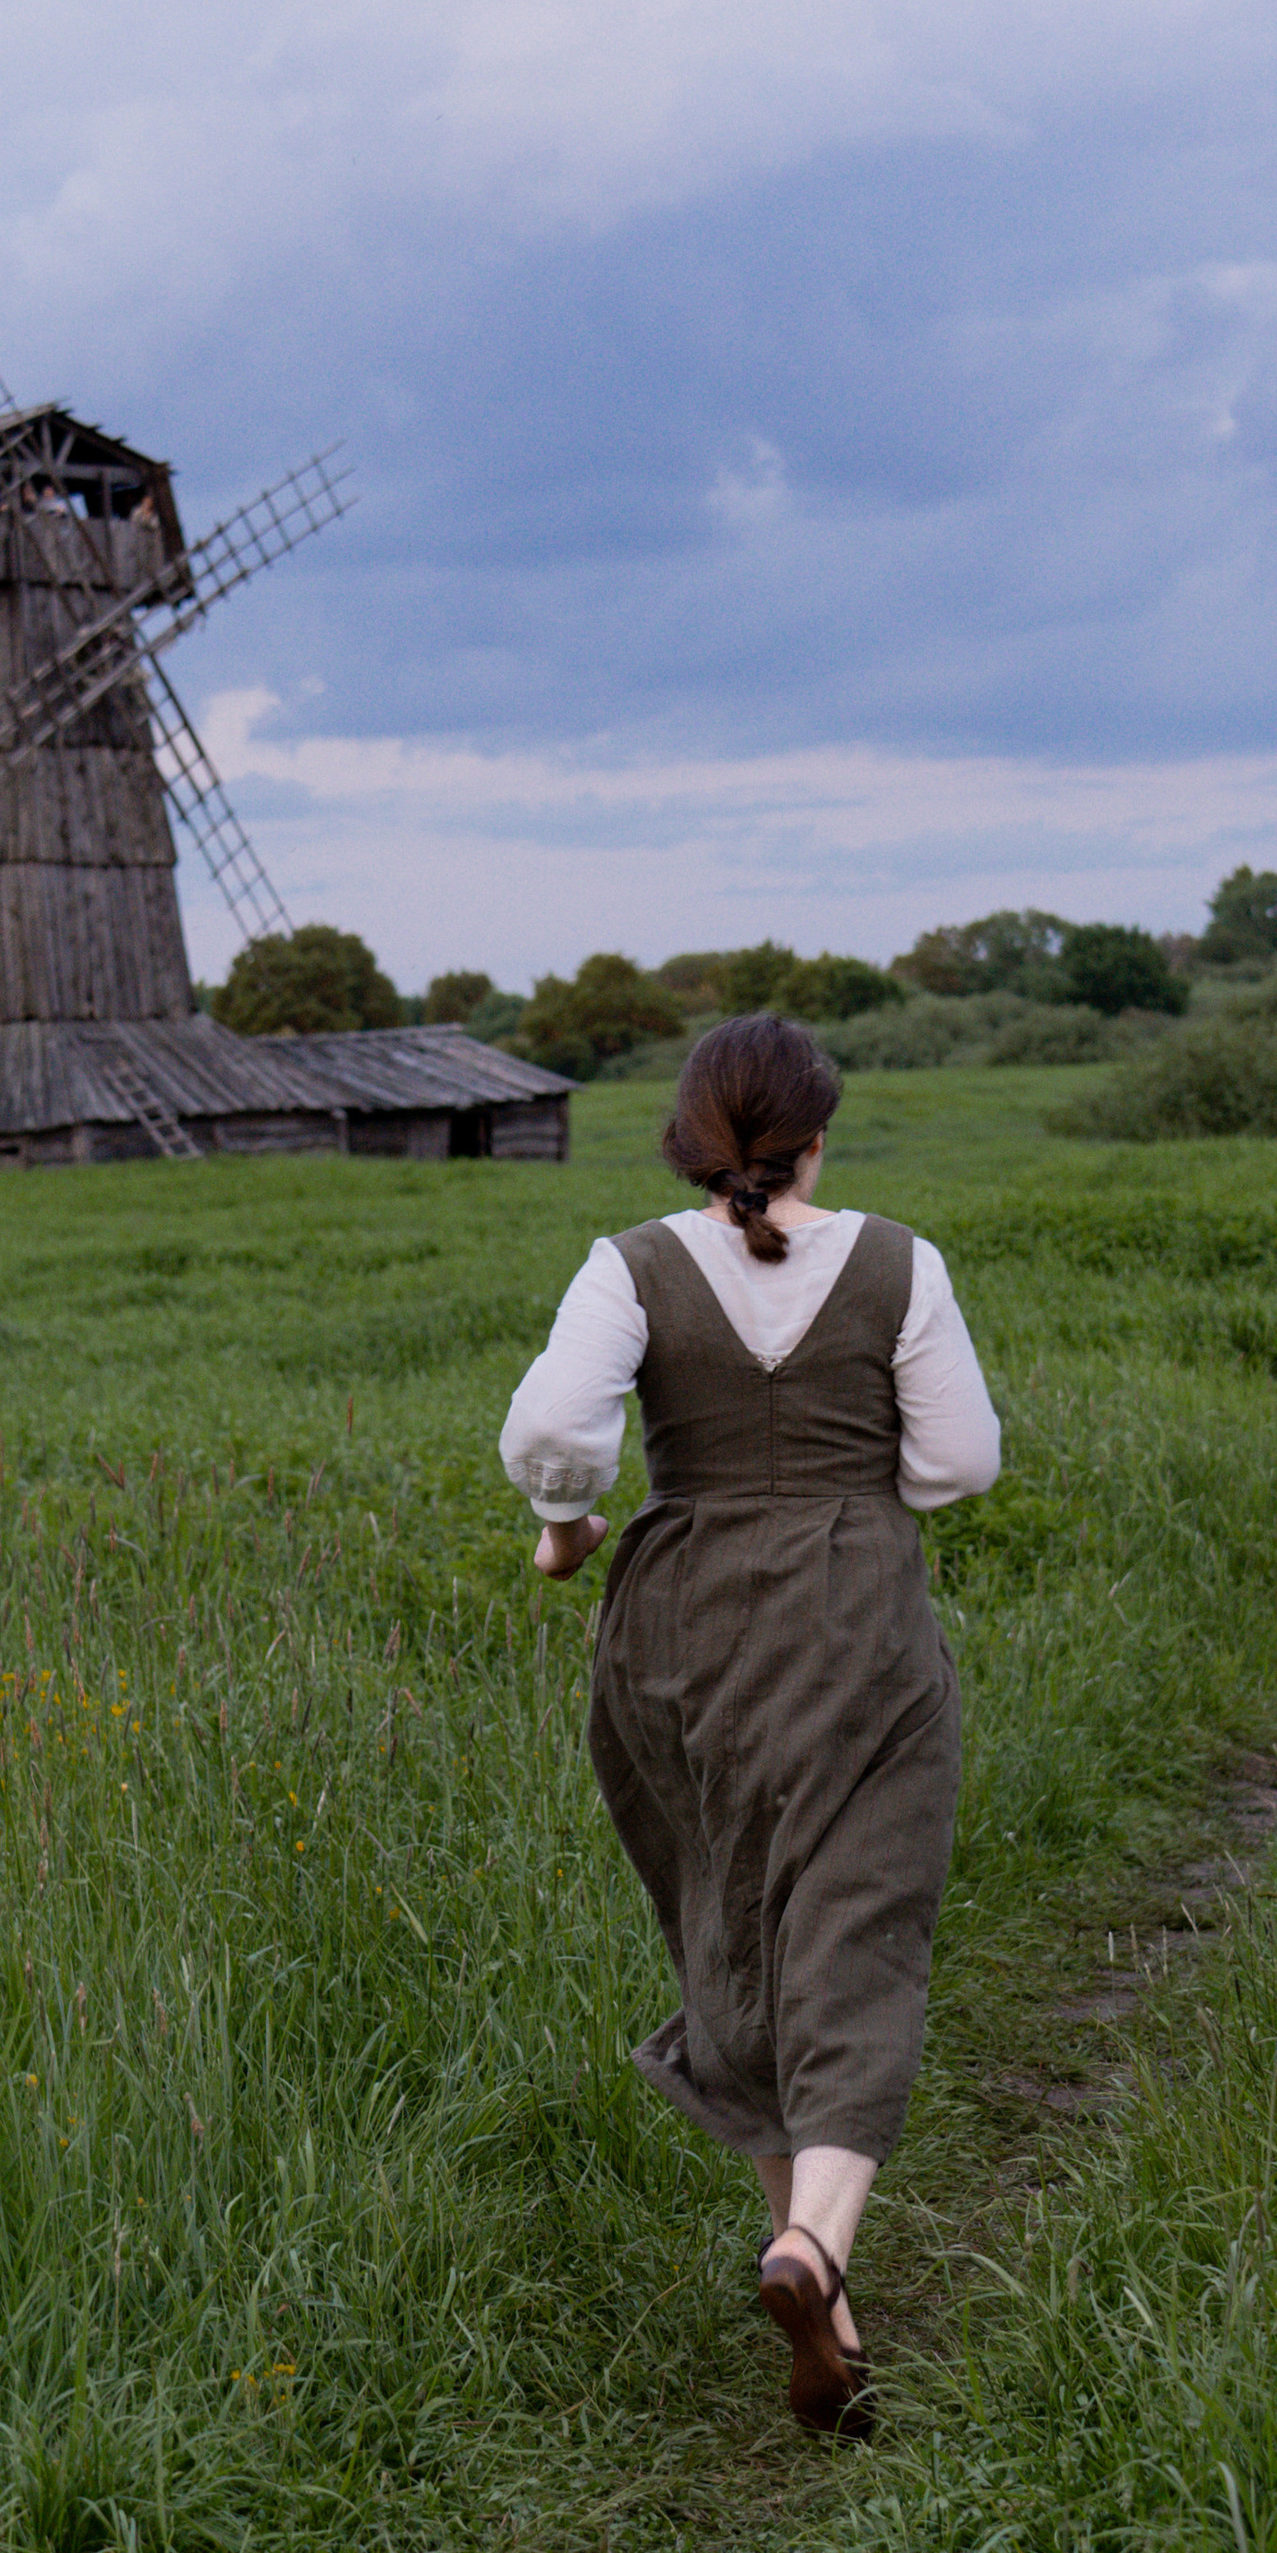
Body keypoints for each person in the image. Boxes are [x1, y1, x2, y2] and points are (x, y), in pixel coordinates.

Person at [498, 1011, 1000, 2438]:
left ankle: (827, 2318)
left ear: (691, 1139)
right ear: (816, 1134)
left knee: (736, 1924)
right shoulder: (901, 1264)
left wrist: (564, 1527)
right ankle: (814, 2248)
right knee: (859, 1922)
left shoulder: (632, 1266)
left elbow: (554, 1430)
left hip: (679, 1629)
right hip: (854, 1620)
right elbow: (961, 1462)